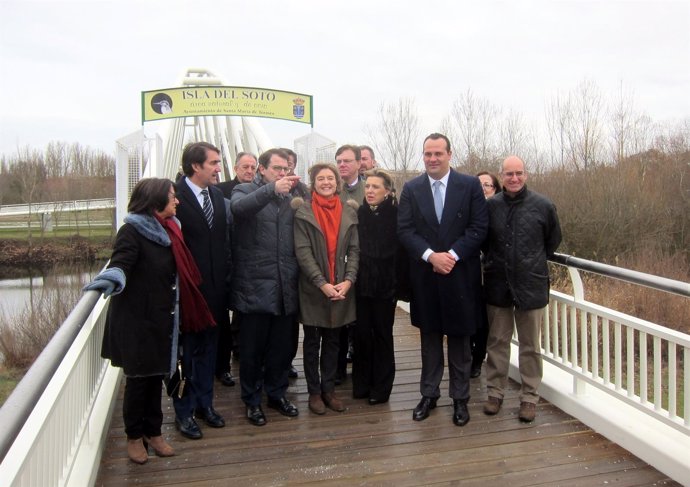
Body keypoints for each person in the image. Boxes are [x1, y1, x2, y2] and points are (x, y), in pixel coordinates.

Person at [86, 178, 200, 463]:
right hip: (136, 322)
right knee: (138, 383)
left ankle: (154, 432)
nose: (177, 201)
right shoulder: (132, 231)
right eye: (172, 197)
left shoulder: (169, 229)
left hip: (162, 319)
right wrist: (112, 278)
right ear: (155, 201)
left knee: (156, 379)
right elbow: (121, 262)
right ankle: (134, 437)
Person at [397, 133, 488, 427]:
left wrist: (450, 255)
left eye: (438, 153)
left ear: (450, 154)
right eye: (427, 154)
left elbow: (478, 228)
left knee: (461, 342)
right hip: (426, 276)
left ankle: (460, 399)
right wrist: (430, 256)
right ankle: (429, 394)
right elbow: (405, 231)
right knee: (430, 339)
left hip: (460, 274)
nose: (432, 159)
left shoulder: (470, 185)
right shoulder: (411, 189)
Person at [482, 156, 562, 423]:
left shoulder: (543, 206)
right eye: (508, 174)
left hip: (531, 284)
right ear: (501, 176)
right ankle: (495, 392)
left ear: (526, 174)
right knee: (497, 342)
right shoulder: (490, 207)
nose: (514, 179)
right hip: (498, 284)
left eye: (518, 173)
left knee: (530, 346)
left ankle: (529, 397)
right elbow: (483, 242)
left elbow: (552, 241)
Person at [230, 148, 301, 426]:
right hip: (254, 286)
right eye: (277, 169)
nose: (283, 174)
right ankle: (251, 400)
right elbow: (239, 210)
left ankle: (277, 394)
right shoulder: (243, 190)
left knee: (281, 349)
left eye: (286, 169)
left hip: (286, 284)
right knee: (251, 351)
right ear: (262, 169)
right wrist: (271, 189)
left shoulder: (293, 196)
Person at [173, 142, 231, 439]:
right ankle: (182, 411)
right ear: (196, 166)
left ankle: (204, 405)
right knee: (184, 357)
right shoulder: (174, 198)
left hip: (215, 293)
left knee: (209, 351)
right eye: (214, 163)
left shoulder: (218, 197)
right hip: (186, 295)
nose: (219, 168)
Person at [292, 163, 359, 415]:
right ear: (313, 182)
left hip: (341, 286)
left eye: (330, 178)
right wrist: (322, 283)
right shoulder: (304, 212)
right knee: (312, 342)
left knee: (333, 342)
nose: (326, 182)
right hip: (314, 288)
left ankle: (329, 389)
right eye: (321, 179)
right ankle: (314, 392)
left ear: (337, 182)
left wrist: (349, 280)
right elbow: (303, 252)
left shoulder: (349, 213)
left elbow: (354, 250)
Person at [352, 169, 406, 405]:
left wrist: (398, 287)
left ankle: (381, 388)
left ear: (388, 191)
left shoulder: (396, 215)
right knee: (362, 334)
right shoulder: (358, 214)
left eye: (376, 187)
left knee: (383, 335)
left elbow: (403, 253)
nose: (370, 191)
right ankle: (362, 383)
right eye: (368, 187)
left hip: (385, 287)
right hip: (361, 286)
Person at [215, 152, 257, 386]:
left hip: (250, 260)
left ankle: (241, 351)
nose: (249, 171)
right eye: (245, 167)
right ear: (235, 167)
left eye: (253, 167)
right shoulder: (220, 190)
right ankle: (222, 364)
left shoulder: (260, 190)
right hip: (226, 259)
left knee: (245, 312)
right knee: (222, 314)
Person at [335, 144, 364, 382]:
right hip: (338, 265)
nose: (342, 165)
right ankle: (337, 369)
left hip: (364, 263)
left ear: (358, 164)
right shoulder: (332, 189)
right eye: (339, 161)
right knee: (339, 319)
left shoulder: (370, 188)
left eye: (346, 161)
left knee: (360, 321)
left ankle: (361, 367)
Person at [470, 171, 502, 378]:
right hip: (469, 275)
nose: (482, 188)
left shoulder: (499, 213)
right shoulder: (467, 211)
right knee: (469, 319)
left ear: (496, 189)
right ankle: (467, 357)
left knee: (485, 323)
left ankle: (477, 360)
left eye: (487, 185)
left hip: (492, 276)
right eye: (478, 184)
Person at [282, 147, 310, 380]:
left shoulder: (302, 189)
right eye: (283, 164)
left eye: (290, 163)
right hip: (276, 261)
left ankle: (287, 361)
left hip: (298, 261)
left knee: (291, 320)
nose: (287, 168)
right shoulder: (265, 189)